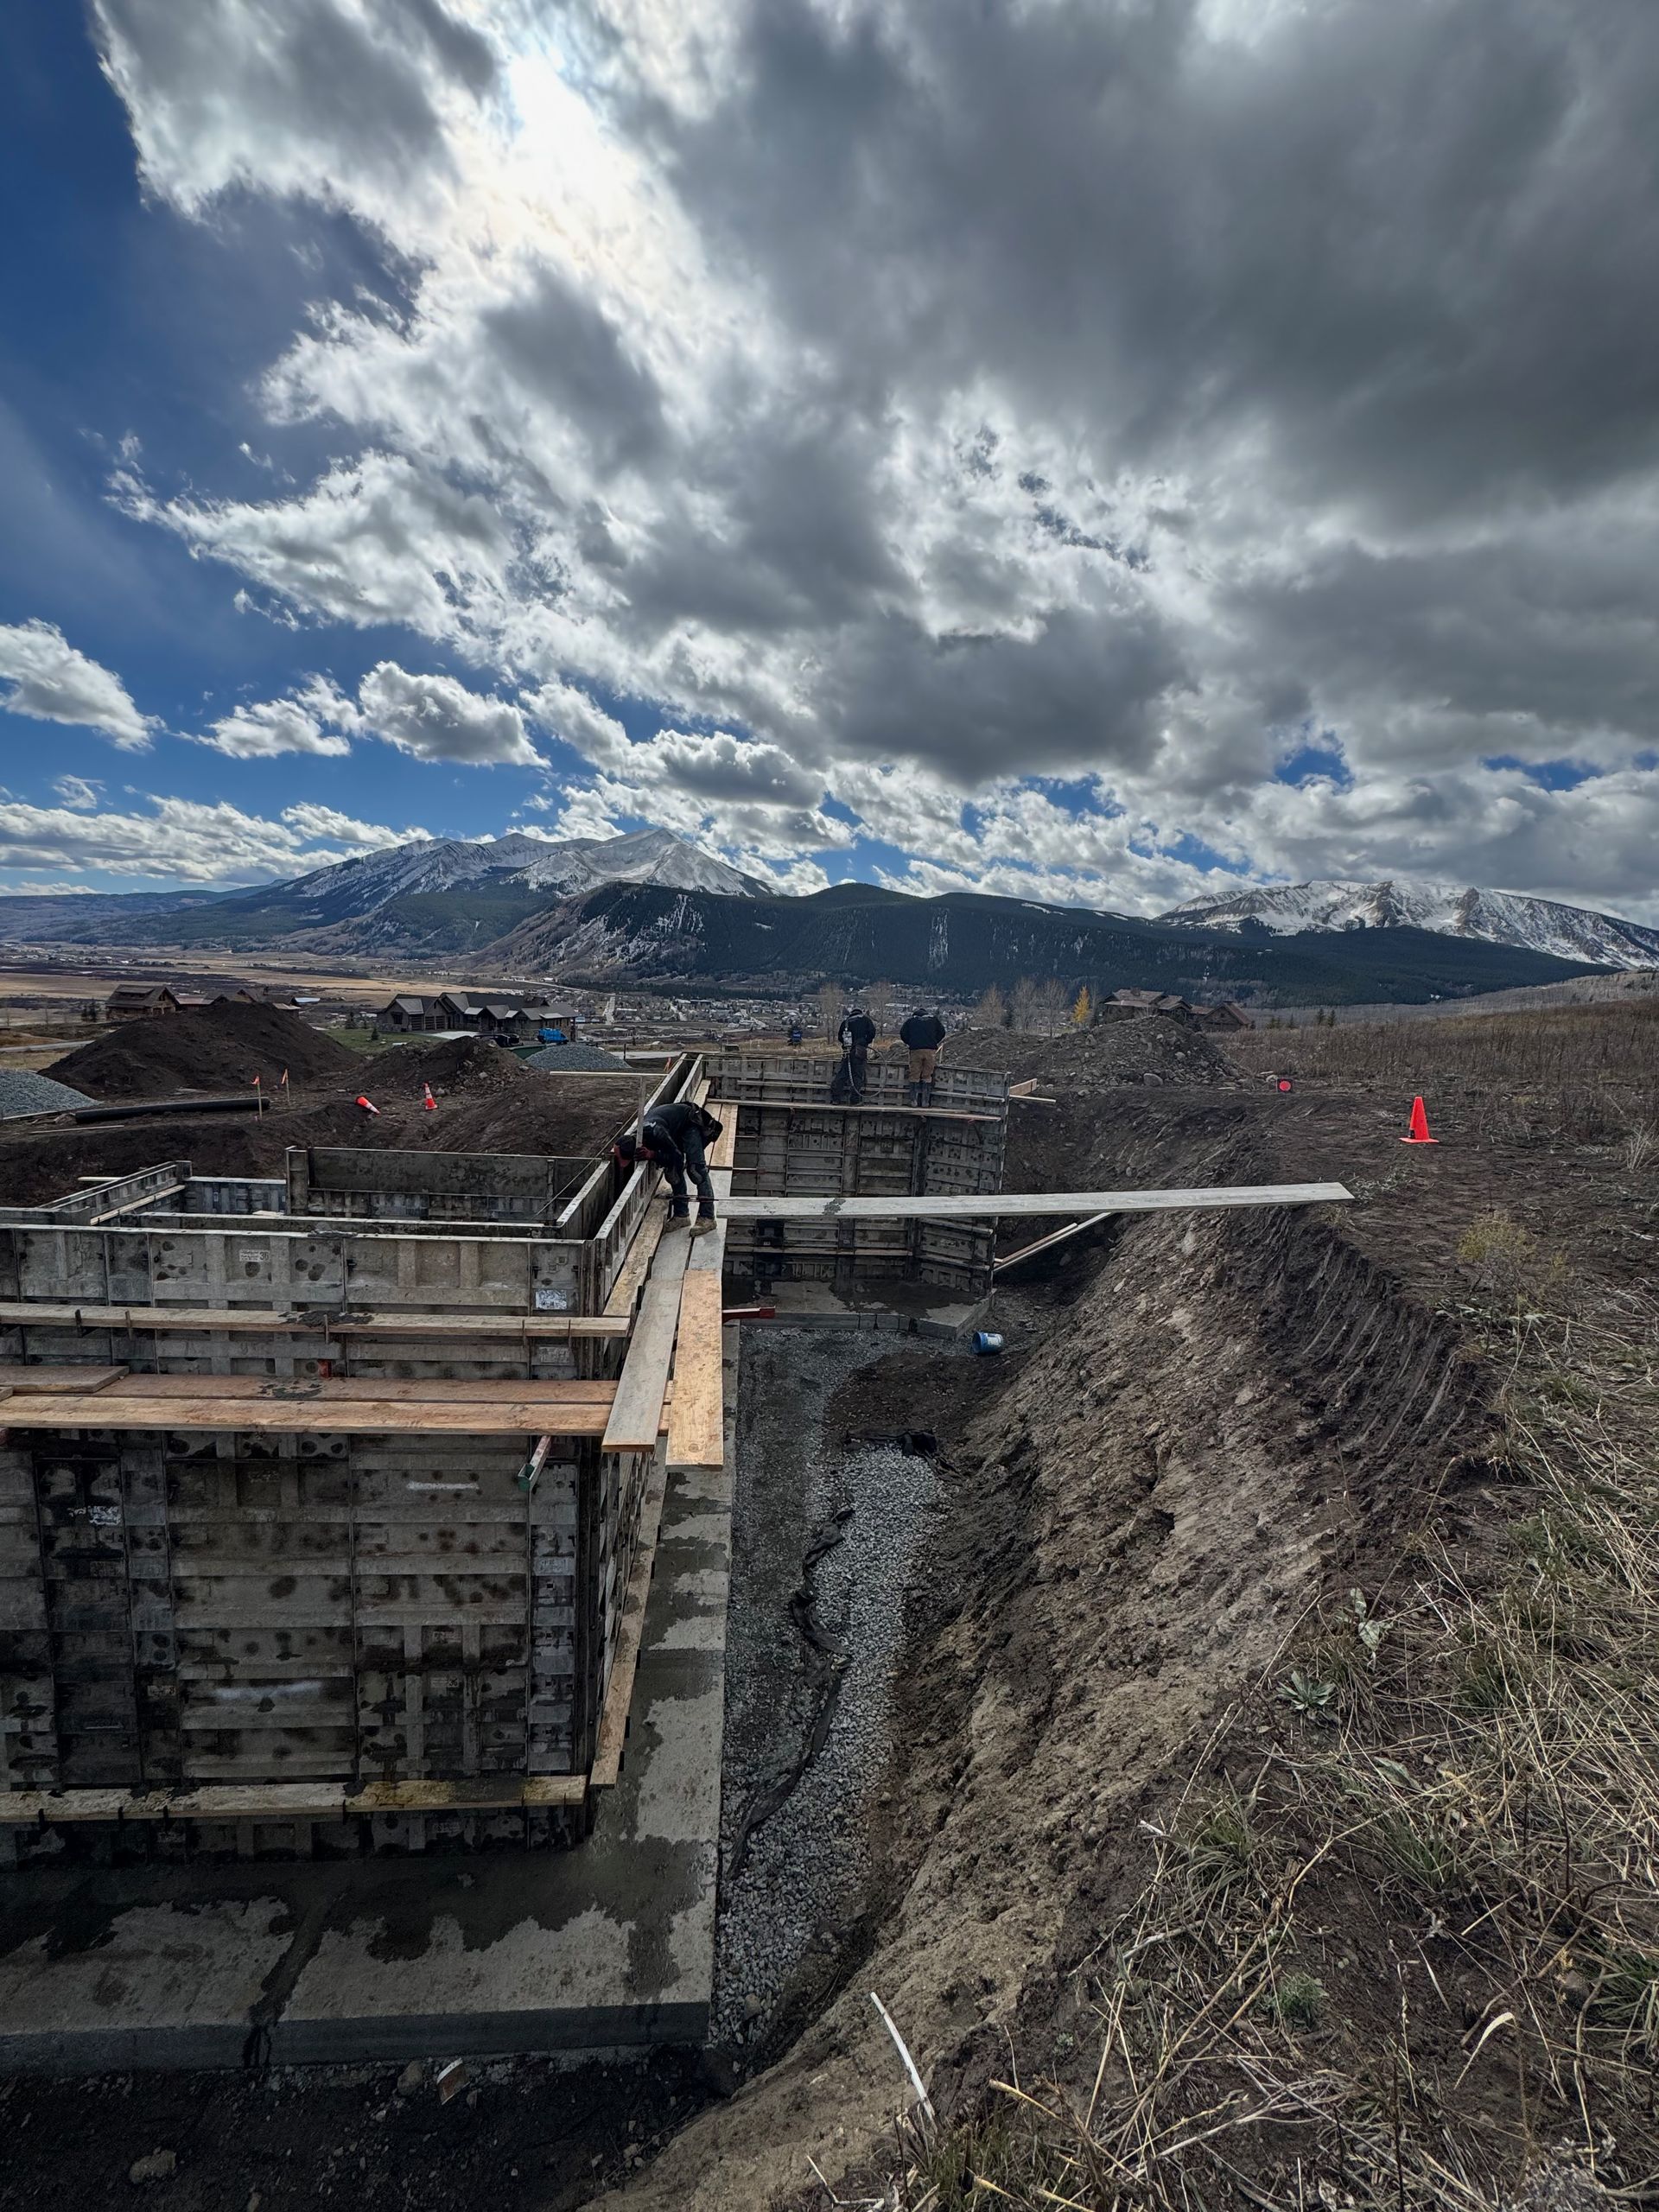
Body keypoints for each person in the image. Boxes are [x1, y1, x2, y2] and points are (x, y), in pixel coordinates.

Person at [613, 1098, 721, 1234]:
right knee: (672, 1172)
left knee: (696, 1170)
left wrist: (653, 1155)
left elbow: (678, 1157)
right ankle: (682, 1215)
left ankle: (708, 1217)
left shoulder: (657, 1132)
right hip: (673, 1127)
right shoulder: (637, 1135)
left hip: (689, 1123)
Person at [899, 1005, 947, 1105]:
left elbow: (903, 1033)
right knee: (927, 1076)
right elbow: (942, 1032)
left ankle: (914, 1101)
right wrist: (933, 1041)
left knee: (914, 1075)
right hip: (930, 1050)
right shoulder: (933, 1020)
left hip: (915, 1050)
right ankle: (925, 1102)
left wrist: (910, 1042)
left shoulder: (911, 1021)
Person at [836, 1003, 876, 1102]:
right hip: (860, 1051)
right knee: (857, 1076)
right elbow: (872, 1033)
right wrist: (865, 1042)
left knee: (843, 1074)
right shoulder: (866, 1020)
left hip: (847, 1051)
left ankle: (836, 1098)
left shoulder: (846, 1022)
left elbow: (840, 1037)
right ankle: (854, 1099)